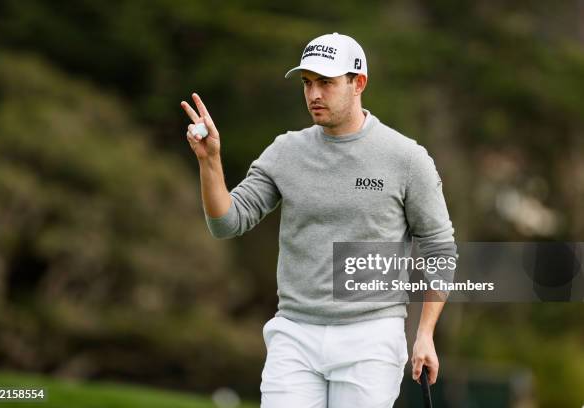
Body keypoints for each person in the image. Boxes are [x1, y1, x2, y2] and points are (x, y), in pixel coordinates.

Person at [181, 32, 456, 408]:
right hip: (294, 332)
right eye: (307, 83)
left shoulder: (406, 158)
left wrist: (425, 333)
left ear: (358, 83)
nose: (314, 95)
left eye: (326, 83)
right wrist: (209, 161)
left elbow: (440, 248)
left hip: (371, 335)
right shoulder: (286, 151)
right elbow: (228, 222)